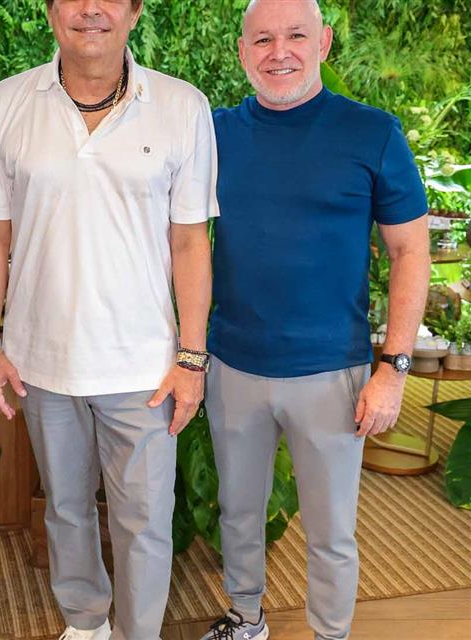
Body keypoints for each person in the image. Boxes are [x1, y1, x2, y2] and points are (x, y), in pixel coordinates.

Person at [0, 0, 219, 638]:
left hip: (144, 366)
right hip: (40, 358)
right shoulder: (8, 102)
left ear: (135, 11)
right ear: (50, 11)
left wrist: (192, 358)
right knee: (66, 508)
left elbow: (190, 241)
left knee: (145, 521)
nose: (90, 11)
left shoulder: (182, 106)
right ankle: (85, 624)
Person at [201, 1, 431, 639]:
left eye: (296, 35)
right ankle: (246, 618)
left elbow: (412, 253)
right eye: (263, 39)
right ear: (242, 51)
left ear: (324, 42)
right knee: (237, 513)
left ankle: (330, 634)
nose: (280, 52)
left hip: (334, 371)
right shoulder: (211, 134)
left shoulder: (373, 133)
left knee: (331, 531)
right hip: (232, 363)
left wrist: (394, 369)